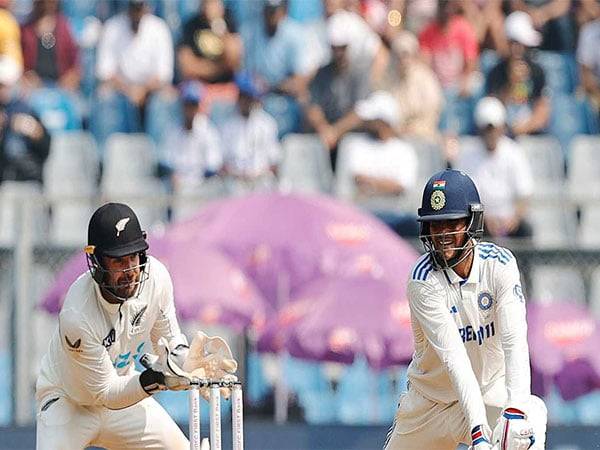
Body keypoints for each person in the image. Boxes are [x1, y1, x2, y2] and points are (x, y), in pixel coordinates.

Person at [36, 203, 238, 449]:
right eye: (118, 261)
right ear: (97, 261)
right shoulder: (78, 314)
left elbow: (169, 342)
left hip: (123, 394)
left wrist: (189, 362)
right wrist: (157, 379)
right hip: (68, 403)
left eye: (133, 257)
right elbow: (106, 393)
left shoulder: (156, 278)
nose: (129, 270)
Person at [383, 169, 547, 450]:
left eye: (451, 224)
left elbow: (514, 340)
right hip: (430, 407)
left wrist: (515, 410)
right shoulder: (422, 280)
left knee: (530, 416)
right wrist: (478, 433)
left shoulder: (500, 265)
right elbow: (454, 358)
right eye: (435, 225)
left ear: (472, 222)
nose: (442, 234)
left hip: (489, 394)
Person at [454, 97, 534, 238]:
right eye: (487, 129)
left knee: (526, 230)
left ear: (502, 128)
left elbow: (525, 194)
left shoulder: (514, 152)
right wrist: (483, 218)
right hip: (479, 220)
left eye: (494, 128)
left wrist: (514, 218)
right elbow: (465, 198)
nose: (491, 133)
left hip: (510, 218)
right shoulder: (467, 155)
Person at [304, 11, 371, 166]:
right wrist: (324, 129)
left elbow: (360, 112)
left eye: (342, 48)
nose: (339, 53)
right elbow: (313, 107)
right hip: (325, 139)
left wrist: (335, 131)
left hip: (352, 138)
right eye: (335, 48)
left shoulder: (359, 74)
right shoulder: (322, 73)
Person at [486, 11, 550, 136]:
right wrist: (512, 82)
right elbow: (493, 109)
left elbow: (542, 110)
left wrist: (525, 127)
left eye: (523, 45)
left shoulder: (537, 71)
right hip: (502, 137)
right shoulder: (496, 72)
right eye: (515, 44)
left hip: (531, 135)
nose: (519, 49)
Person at [220, 71, 281, 192]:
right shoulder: (227, 125)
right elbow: (221, 164)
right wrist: (237, 174)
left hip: (260, 182)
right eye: (243, 97)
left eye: (249, 98)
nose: (246, 102)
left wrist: (258, 174)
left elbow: (274, 162)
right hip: (235, 183)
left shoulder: (267, 124)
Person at [419, 0, 480, 96]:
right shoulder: (428, 31)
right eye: (442, 6)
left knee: (476, 83)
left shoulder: (463, 28)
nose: (445, 11)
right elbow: (424, 63)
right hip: (436, 84)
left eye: (447, 6)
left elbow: (471, 61)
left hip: (458, 82)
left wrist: (464, 80)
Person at [20, 0, 80, 91]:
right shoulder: (26, 29)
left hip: (61, 87)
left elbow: (75, 64)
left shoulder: (65, 27)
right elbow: (19, 61)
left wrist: (69, 80)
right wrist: (27, 75)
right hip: (34, 87)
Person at [178, 0, 242, 85]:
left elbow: (234, 61)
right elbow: (187, 68)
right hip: (199, 85)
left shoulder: (228, 22)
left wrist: (218, 25)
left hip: (226, 83)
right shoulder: (191, 26)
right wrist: (219, 68)